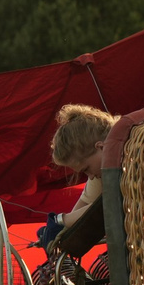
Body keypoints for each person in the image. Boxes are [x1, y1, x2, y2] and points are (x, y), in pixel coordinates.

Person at [43, 103, 116, 260]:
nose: (90, 176)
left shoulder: (132, 156)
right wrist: (64, 230)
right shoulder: (101, 166)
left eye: (86, 169)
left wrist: (60, 221)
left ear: (101, 147)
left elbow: (111, 203)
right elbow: (86, 204)